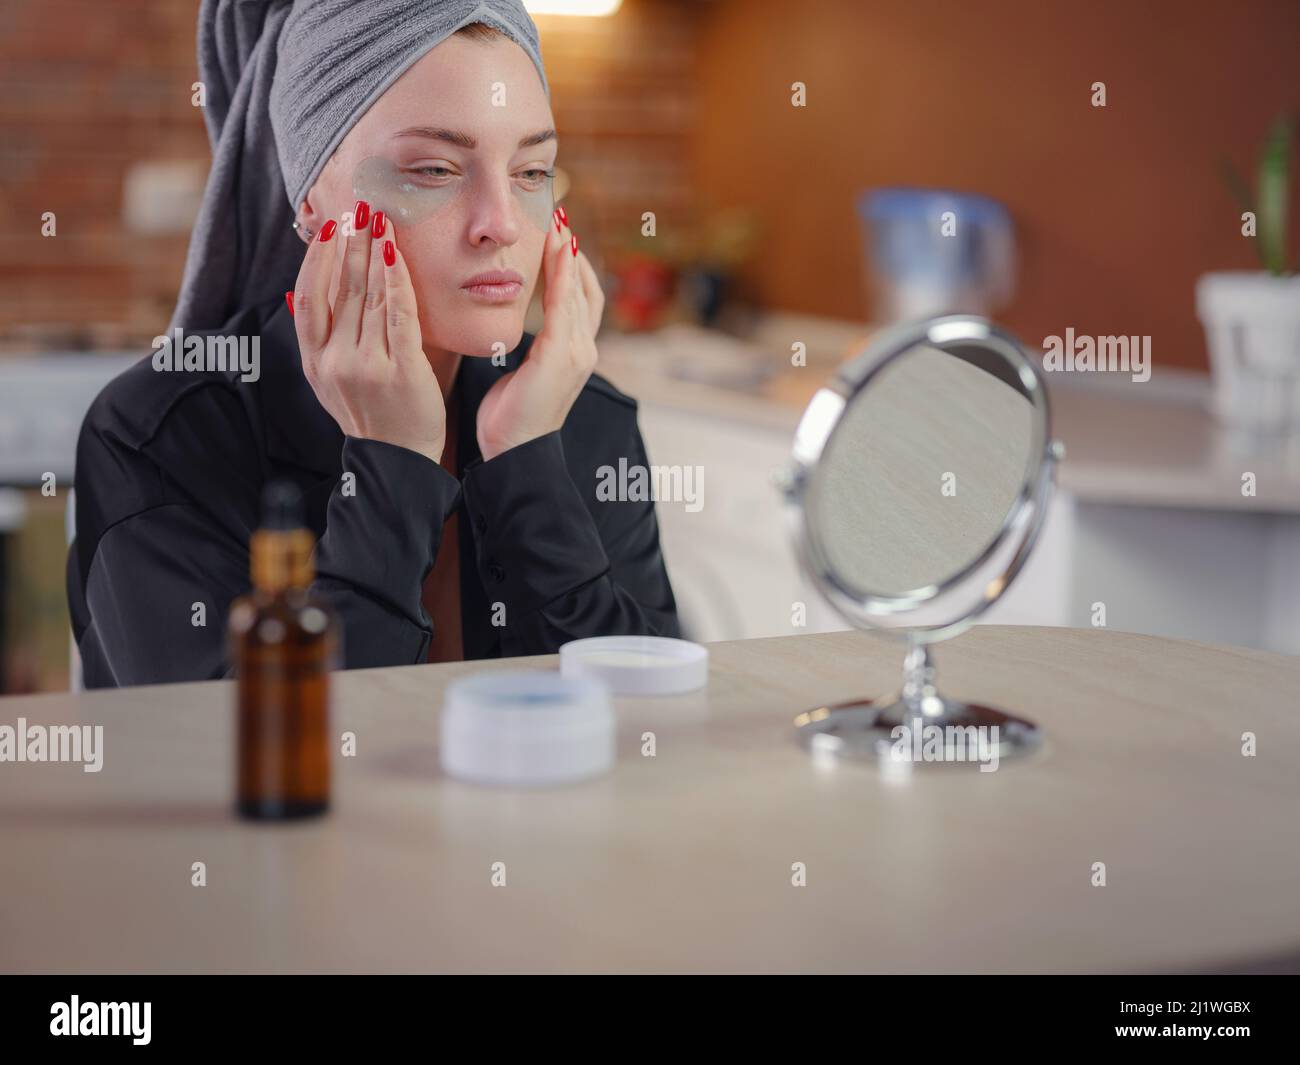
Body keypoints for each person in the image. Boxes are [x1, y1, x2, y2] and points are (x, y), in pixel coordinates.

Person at [67, 0, 679, 688]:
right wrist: (394, 466)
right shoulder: (158, 439)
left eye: (532, 172)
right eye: (435, 170)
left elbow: (647, 734)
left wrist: (528, 467)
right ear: (308, 200)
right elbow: (243, 764)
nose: (502, 224)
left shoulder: (586, 420)